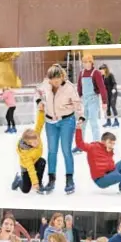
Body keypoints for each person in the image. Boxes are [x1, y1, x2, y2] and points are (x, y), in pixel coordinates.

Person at [36, 64, 83, 195]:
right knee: (51, 151)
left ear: (62, 76)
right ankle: (51, 180)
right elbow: (37, 93)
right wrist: (39, 101)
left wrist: (81, 117)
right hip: (50, 121)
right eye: (52, 79)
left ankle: (69, 180)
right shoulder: (45, 85)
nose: (55, 81)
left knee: (66, 150)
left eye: (58, 78)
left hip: (66, 121)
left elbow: (77, 103)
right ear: (49, 78)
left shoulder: (69, 87)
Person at [74, 129, 121, 193]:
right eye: (110, 142)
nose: (112, 145)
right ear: (103, 141)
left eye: (113, 143)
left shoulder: (109, 150)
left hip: (109, 173)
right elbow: (80, 144)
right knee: (117, 176)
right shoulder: (92, 147)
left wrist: (109, 153)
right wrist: (78, 128)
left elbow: (110, 166)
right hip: (101, 179)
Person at [73, 54, 108, 153]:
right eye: (84, 62)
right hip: (84, 101)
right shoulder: (82, 73)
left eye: (88, 62)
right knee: (82, 123)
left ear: (91, 62)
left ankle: (97, 145)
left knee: (93, 122)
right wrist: (78, 99)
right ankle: (80, 145)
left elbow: (102, 87)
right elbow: (79, 87)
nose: (86, 64)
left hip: (93, 100)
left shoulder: (96, 73)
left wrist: (104, 102)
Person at [11, 101, 46, 193]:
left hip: (36, 160)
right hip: (26, 167)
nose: (37, 142)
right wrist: (34, 183)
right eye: (34, 142)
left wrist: (41, 111)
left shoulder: (36, 135)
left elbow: (39, 123)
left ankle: (40, 183)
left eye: (37, 140)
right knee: (26, 190)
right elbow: (30, 168)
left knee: (42, 161)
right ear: (29, 144)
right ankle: (18, 181)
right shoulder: (25, 153)